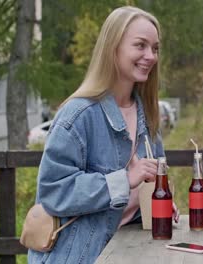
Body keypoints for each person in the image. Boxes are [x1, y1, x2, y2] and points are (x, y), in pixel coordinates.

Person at [28, 6, 178, 263]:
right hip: (79, 256)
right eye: (140, 45)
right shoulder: (78, 114)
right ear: (113, 48)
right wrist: (124, 180)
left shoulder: (147, 116)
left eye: (155, 48)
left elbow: (146, 187)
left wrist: (156, 204)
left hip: (127, 253)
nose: (150, 56)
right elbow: (53, 191)